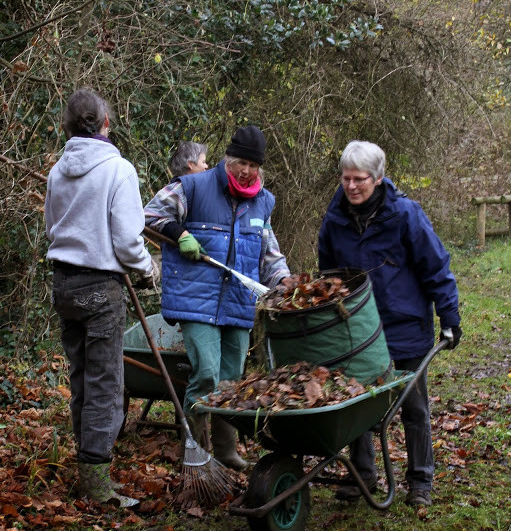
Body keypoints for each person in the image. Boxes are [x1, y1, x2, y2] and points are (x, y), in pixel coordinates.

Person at [318, 140, 461, 507]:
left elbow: (435, 266)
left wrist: (449, 316)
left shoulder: (406, 215)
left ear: (378, 179)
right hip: (359, 328)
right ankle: (363, 476)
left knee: (413, 407)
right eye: (346, 179)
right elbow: (327, 274)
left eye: (359, 179)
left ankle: (421, 482)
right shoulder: (335, 220)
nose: (351, 186)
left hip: (405, 323)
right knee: (358, 403)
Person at [144, 125, 290, 470]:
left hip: (238, 300)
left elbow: (268, 252)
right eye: (240, 162)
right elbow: (150, 214)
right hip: (196, 299)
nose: (246, 171)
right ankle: (194, 454)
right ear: (227, 158)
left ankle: (225, 451)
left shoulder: (262, 201)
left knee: (231, 381)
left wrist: (283, 282)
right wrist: (179, 234)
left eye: (253, 166)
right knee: (207, 374)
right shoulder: (193, 186)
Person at [45, 88, 159, 508]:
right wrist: (147, 270)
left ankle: (87, 466)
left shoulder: (59, 170)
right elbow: (129, 241)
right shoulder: (118, 170)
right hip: (99, 289)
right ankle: (95, 484)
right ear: (106, 123)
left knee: (80, 377)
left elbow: (52, 227)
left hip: (63, 284)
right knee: (106, 384)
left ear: (68, 127)